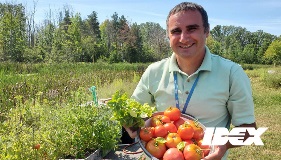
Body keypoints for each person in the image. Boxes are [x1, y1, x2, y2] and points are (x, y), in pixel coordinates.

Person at [125, 2, 256, 160]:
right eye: (176, 31)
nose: (184, 38)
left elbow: (249, 132)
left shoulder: (232, 73)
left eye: (192, 29)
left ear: (206, 31)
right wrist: (130, 123)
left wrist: (223, 143)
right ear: (168, 35)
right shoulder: (154, 71)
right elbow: (134, 112)